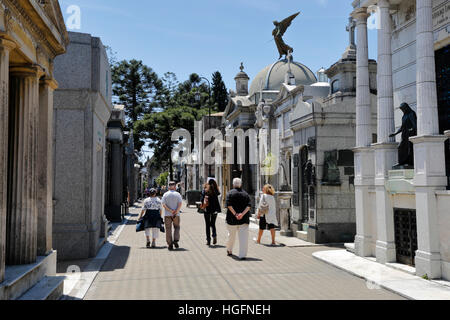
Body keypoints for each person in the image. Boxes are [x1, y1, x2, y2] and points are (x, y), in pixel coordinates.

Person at [225, 178, 251, 260]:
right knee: (243, 237)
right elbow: (249, 206)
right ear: (241, 184)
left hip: (231, 219)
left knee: (231, 236)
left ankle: (229, 250)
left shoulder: (230, 193)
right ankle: (242, 255)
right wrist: (242, 214)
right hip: (244, 220)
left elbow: (229, 205)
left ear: (233, 184)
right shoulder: (246, 194)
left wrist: (236, 214)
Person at [161, 181, 183, 250]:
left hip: (167, 214)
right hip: (176, 214)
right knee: (177, 227)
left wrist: (170, 211)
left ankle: (170, 244)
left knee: (168, 229)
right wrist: (176, 211)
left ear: (169, 186)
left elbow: (164, 205)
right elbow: (180, 204)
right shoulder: (178, 194)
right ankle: (176, 240)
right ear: (174, 186)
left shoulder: (165, 194)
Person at [200, 179, 221, 246]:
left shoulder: (205, 190)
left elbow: (201, 199)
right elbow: (218, 195)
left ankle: (208, 240)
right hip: (215, 209)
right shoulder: (216, 191)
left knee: (207, 225)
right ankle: (214, 235)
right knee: (213, 223)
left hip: (207, 209)